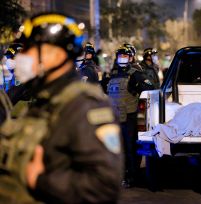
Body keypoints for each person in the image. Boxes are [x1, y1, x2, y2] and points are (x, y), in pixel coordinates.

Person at [0, 12, 123, 204]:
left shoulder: (83, 106)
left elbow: (104, 187)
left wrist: (41, 180)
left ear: (55, 54)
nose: (22, 56)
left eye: (28, 49)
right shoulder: (45, 98)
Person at [107, 46, 154, 188]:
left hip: (129, 118)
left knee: (130, 148)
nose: (122, 59)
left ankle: (131, 177)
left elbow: (149, 88)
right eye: (120, 56)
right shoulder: (113, 74)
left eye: (125, 56)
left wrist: (137, 89)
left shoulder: (135, 74)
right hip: (114, 118)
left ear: (130, 58)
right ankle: (119, 175)